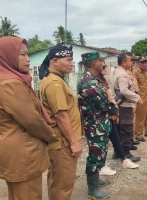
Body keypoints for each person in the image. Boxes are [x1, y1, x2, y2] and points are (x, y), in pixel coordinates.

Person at [0, 37, 57, 200]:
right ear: (7, 56)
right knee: (29, 195)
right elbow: (32, 120)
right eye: (22, 54)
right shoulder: (11, 84)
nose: (28, 59)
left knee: (18, 195)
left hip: (16, 151)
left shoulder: (7, 80)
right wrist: (50, 136)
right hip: (23, 153)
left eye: (27, 54)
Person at [39, 45, 83, 200]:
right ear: (55, 61)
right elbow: (61, 115)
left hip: (61, 142)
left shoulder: (56, 80)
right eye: (69, 59)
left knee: (57, 181)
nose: (72, 63)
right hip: (63, 143)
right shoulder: (54, 83)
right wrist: (73, 142)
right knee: (63, 184)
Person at [77, 52, 117, 199]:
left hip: (99, 124)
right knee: (95, 154)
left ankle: (96, 180)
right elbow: (104, 103)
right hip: (95, 126)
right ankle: (92, 189)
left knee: (100, 152)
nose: (103, 63)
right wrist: (114, 109)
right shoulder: (88, 82)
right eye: (101, 61)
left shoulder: (92, 79)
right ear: (94, 63)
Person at [97, 64, 140, 172]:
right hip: (107, 113)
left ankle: (123, 158)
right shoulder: (96, 81)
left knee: (116, 136)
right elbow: (114, 95)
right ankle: (122, 156)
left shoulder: (104, 79)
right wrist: (136, 97)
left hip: (112, 110)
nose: (105, 69)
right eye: (103, 67)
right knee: (122, 131)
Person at [112, 52, 143, 159]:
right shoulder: (123, 74)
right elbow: (124, 90)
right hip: (124, 105)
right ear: (124, 62)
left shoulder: (118, 71)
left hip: (121, 105)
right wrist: (137, 97)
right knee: (126, 128)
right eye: (130, 60)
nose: (131, 62)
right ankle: (126, 153)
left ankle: (118, 152)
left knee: (120, 128)